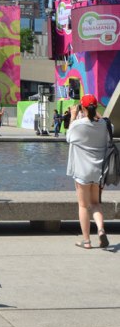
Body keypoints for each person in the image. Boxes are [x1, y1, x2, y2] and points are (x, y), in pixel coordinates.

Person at [66, 94, 110, 249]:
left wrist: (72, 115)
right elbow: (104, 121)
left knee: (83, 206)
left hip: (82, 172)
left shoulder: (77, 125)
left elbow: (68, 137)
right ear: (96, 108)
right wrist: (94, 113)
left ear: (82, 108)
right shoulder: (104, 124)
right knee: (96, 204)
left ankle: (86, 240)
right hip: (98, 170)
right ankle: (100, 229)